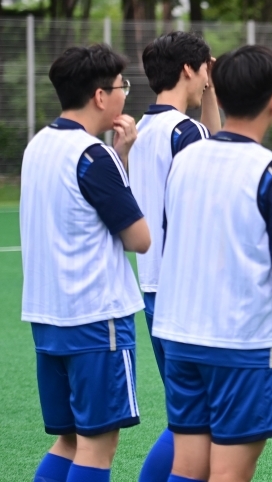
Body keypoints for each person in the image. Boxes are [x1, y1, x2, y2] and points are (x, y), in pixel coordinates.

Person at [151, 45, 272, 482]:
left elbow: (170, 236)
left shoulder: (184, 160)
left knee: (188, 468)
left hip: (179, 335)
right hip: (240, 343)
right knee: (229, 473)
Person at [21, 44, 150, 482]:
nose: (124, 95)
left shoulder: (38, 145)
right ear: (100, 95)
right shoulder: (94, 156)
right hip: (97, 321)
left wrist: (123, 156)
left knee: (70, 440)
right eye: (121, 87)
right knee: (98, 447)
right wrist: (121, 158)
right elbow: (140, 239)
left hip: (47, 319)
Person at [128, 31, 221, 482]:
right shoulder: (187, 133)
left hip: (153, 287)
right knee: (198, 423)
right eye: (206, 68)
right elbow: (224, 166)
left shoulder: (143, 129)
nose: (208, 77)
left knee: (187, 419)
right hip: (188, 294)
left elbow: (218, 149)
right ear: (190, 69)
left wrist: (212, 91)